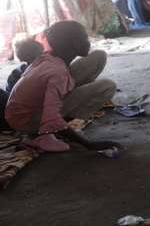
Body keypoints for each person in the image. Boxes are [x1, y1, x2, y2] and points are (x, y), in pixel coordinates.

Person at [4, 21, 120, 153]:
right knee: (106, 86)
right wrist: (89, 144)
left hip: (21, 112)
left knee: (99, 56)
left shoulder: (49, 57)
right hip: (27, 122)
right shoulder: (57, 73)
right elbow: (50, 117)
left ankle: (60, 120)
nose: (88, 42)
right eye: (85, 38)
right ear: (76, 43)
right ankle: (43, 135)